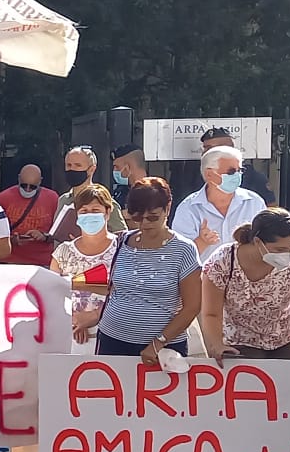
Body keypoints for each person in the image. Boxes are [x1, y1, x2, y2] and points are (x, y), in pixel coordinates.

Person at [200, 208, 290, 363]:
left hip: (287, 337)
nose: (287, 254)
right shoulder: (222, 261)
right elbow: (211, 313)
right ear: (258, 242)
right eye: (280, 249)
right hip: (240, 340)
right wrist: (217, 345)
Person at [91, 178, 201, 363]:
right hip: (112, 340)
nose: (144, 224)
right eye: (137, 218)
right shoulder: (122, 241)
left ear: (168, 208)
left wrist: (159, 343)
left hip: (163, 348)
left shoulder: (184, 249)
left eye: (152, 217)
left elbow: (192, 307)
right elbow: (110, 285)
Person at [51, 186, 120, 352]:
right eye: (84, 211)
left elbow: (129, 292)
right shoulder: (63, 252)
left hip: (111, 335)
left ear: (107, 212)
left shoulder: (122, 248)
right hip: (70, 336)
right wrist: (75, 321)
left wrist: (95, 317)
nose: (89, 215)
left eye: (95, 210)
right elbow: (52, 294)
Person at [172, 146, 267, 257]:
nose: (237, 175)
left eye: (240, 170)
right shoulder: (188, 208)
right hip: (204, 274)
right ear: (209, 174)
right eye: (231, 172)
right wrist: (202, 242)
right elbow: (178, 257)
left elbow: (268, 244)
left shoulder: (255, 202)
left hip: (247, 273)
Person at [53, 145, 123, 241]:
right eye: (68, 165)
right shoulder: (63, 200)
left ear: (91, 169)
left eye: (78, 165)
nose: (72, 169)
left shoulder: (104, 202)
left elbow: (121, 237)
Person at [0, 163, 59, 267]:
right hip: (10, 260)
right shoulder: (4, 197)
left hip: (42, 261)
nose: (27, 189)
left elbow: (59, 232)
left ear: (40, 181)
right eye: (23, 185)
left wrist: (43, 236)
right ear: (18, 179)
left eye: (32, 187)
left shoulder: (53, 198)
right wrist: (11, 239)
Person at [199, 128, 275, 203]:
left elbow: (271, 210)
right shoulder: (194, 174)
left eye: (211, 149)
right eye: (205, 148)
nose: (205, 153)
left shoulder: (253, 178)